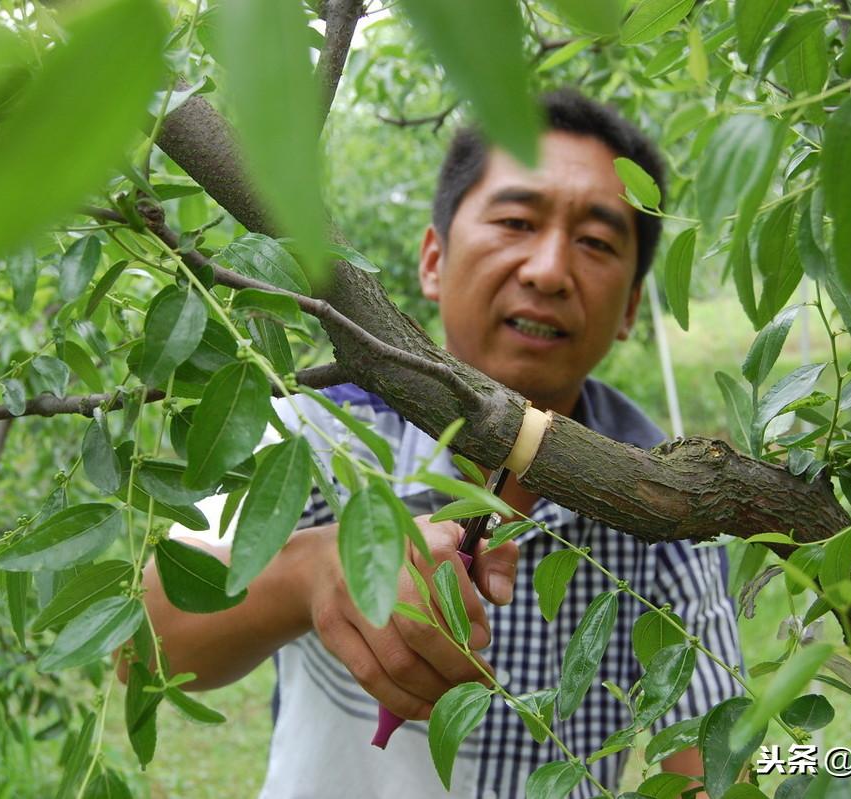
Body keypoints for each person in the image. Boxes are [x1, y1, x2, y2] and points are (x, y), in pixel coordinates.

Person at [119, 88, 743, 798]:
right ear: (433, 259)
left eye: (597, 243)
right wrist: (310, 576)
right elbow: (141, 643)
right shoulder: (321, 432)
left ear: (632, 304)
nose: (547, 270)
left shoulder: (663, 500)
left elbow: (710, 766)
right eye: (515, 220)